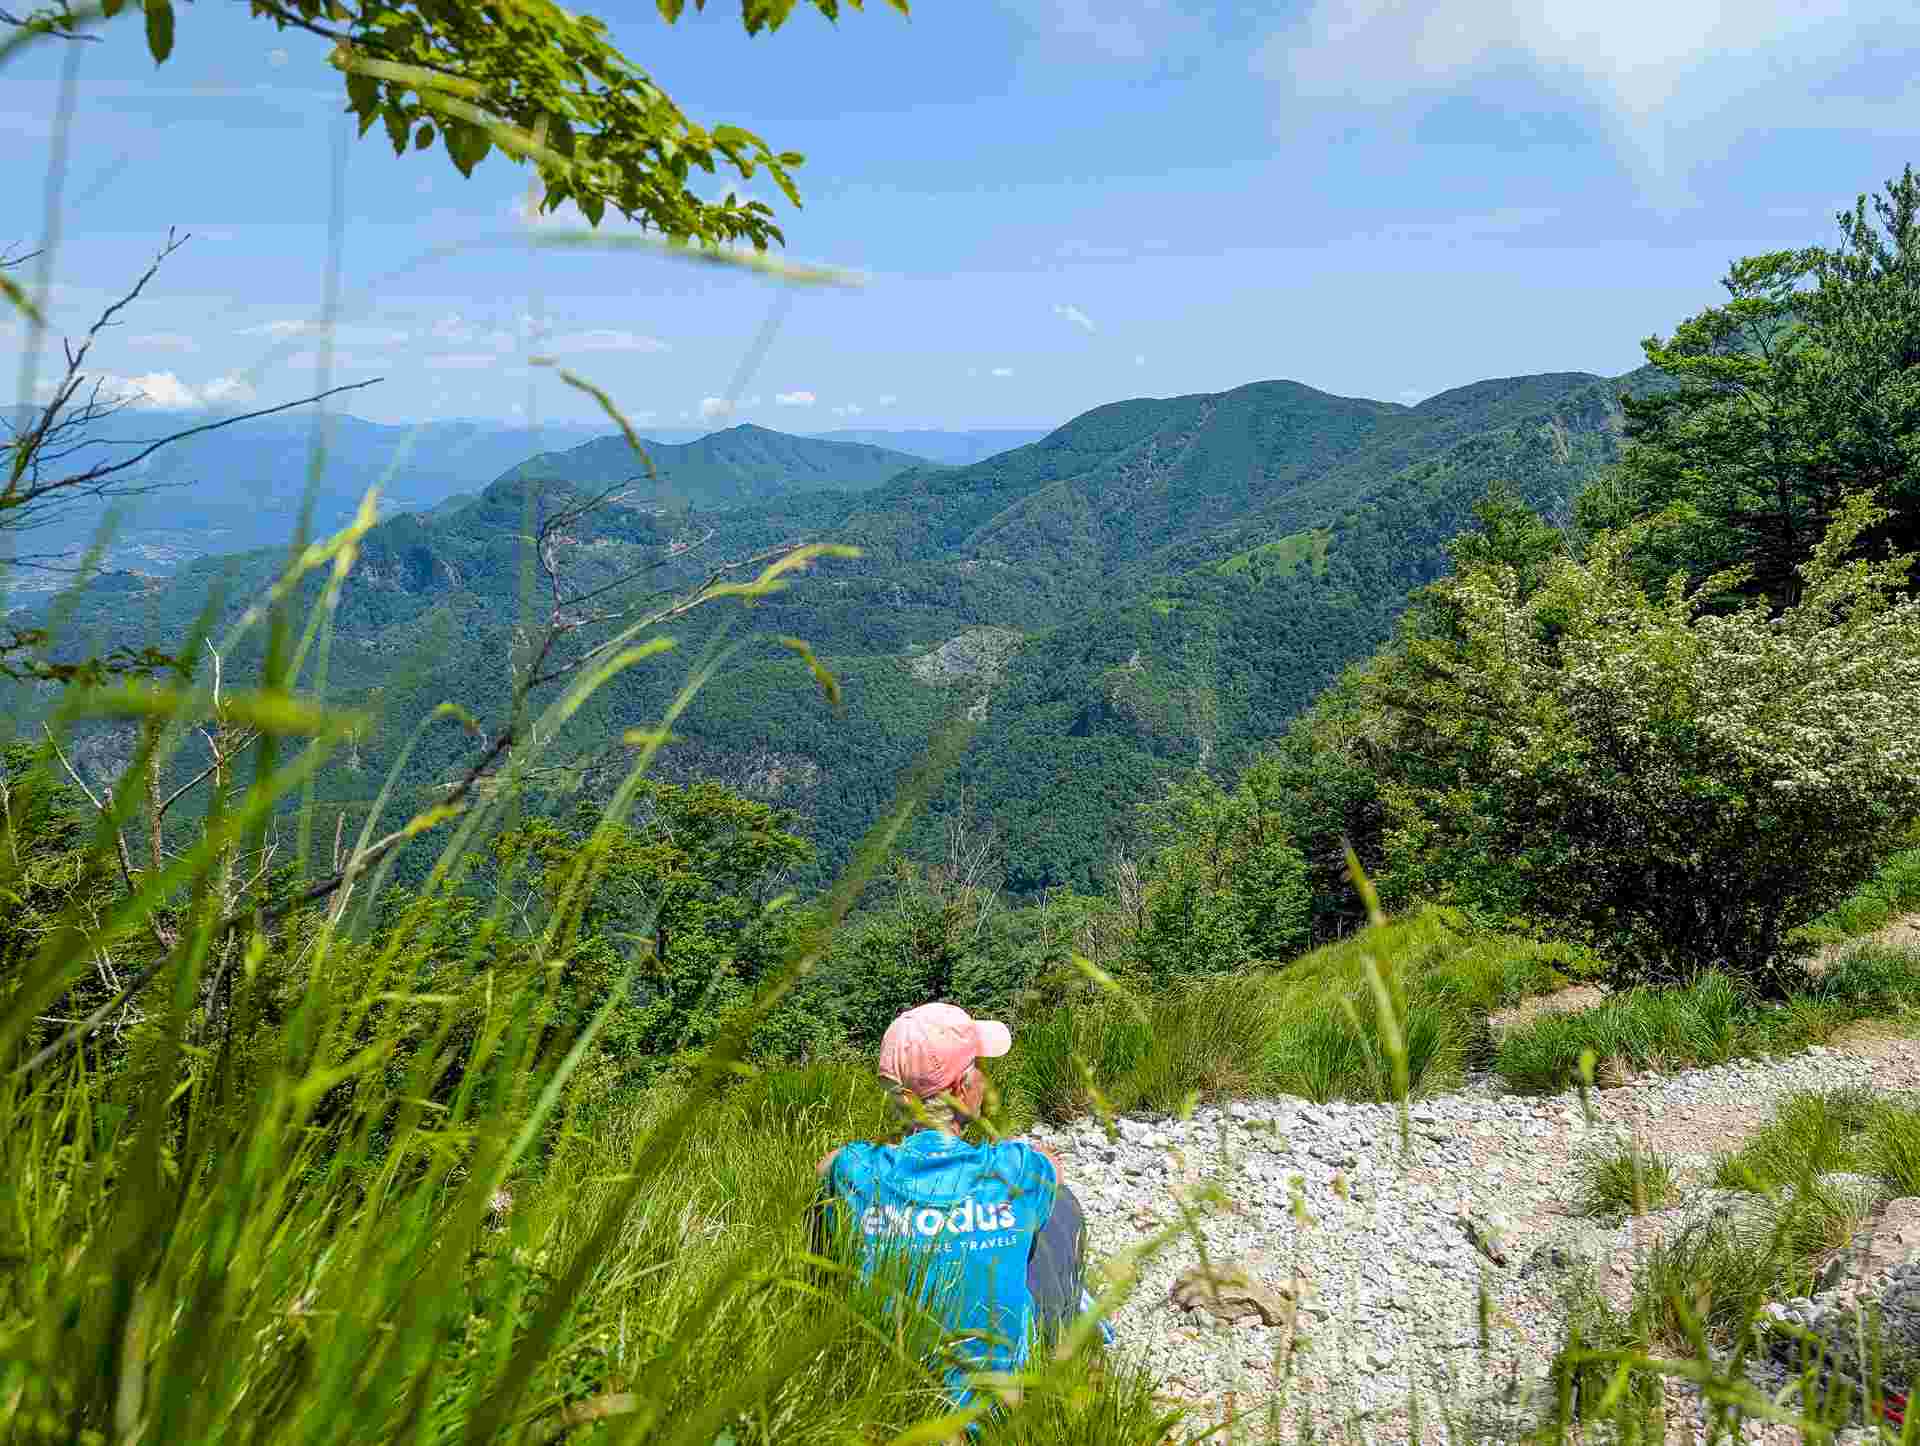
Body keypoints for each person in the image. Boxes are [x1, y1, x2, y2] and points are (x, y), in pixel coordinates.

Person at [813, 1002, 1101, 1408]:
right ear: (962, 1089)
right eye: (978, 1068)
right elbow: (1054, 1168)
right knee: (1059, 1207)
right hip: (999, 1410)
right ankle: (1069, 1344)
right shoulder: (1012, 1169)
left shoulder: (857, 1171)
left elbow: (826, 1164)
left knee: (824, 1212)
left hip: (892, 1401)